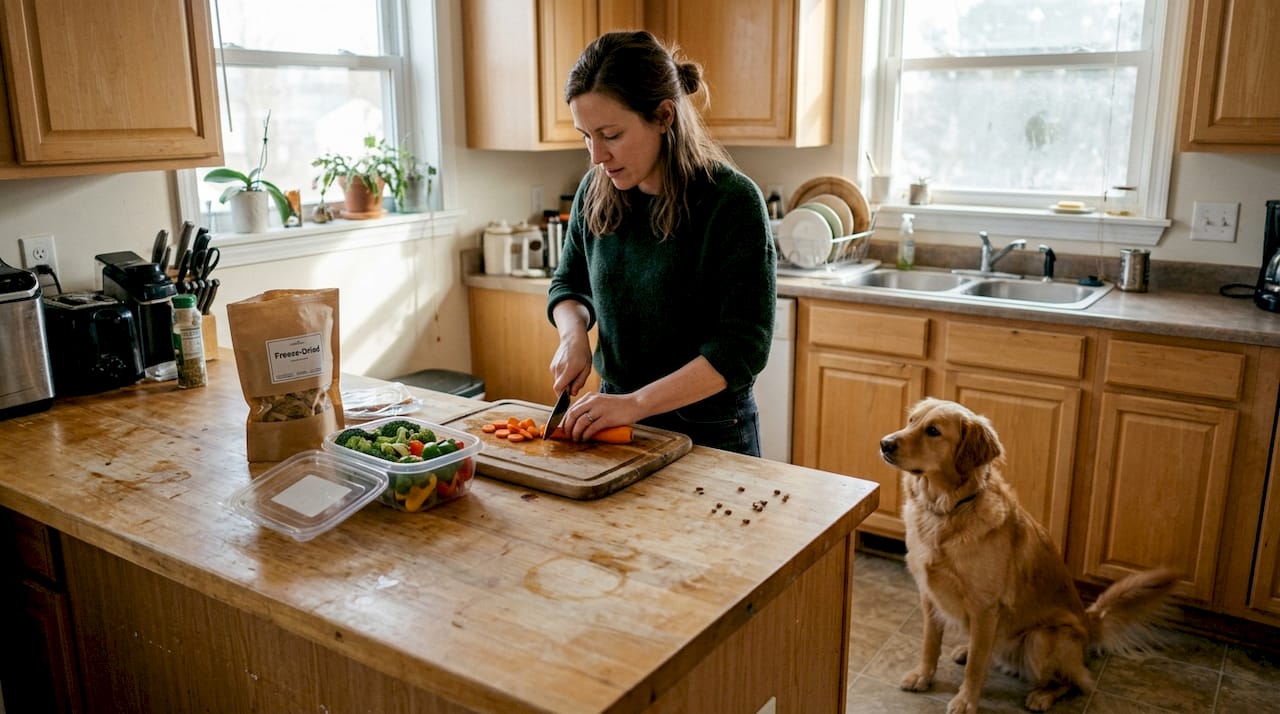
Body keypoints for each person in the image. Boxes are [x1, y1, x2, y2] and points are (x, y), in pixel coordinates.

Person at [546, 30, 776, 456]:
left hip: (712, 432)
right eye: (585, 135)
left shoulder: (732, 202)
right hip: (614, 418)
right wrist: (573, 334)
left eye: (610, 134)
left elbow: (741, 349)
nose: (596, 155)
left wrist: (637, 403)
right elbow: (568, 284)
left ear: (664, 116)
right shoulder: (594, 191)